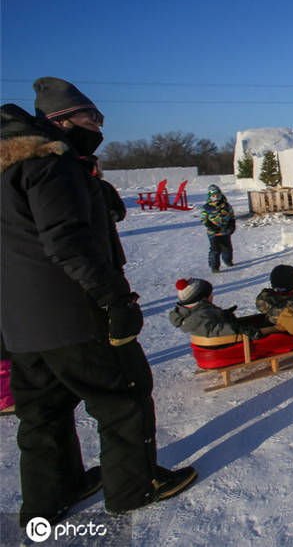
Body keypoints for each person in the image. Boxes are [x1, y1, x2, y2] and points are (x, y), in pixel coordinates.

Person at [0, 77, 196, 526]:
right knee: (124, 394)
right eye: (91, 117)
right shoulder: (52, 164)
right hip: (73, 315)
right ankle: (134, 487)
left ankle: (54, 493)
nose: (99, 125)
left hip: (21, 325)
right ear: (60, 122)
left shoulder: (11, 168)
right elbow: (68, 242)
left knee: (42, 413)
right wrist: (115, 299)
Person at [169, 278, 262, 340]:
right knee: (263, 331)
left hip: (214, 348)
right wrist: (239, 328)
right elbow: (220, 330)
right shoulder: (201, 316)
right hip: (222, 352)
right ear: (203, 300)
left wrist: (223, 314)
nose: (212, 295)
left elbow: (210, 327)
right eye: (210, 294)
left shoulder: (194, 314)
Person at [200, 184, 236, 273]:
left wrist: (232, 226)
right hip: (213, 232)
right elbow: (204, 220)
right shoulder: (207, 208)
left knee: (227, 247)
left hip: (225, 230)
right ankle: (214, 265)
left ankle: (227, 260)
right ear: (209, 197)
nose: (215, 198)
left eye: (217, 195)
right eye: (213, 196)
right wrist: (211, 227)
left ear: (221, 195)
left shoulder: (226, 206)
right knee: (215, 249)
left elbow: (232, 217)